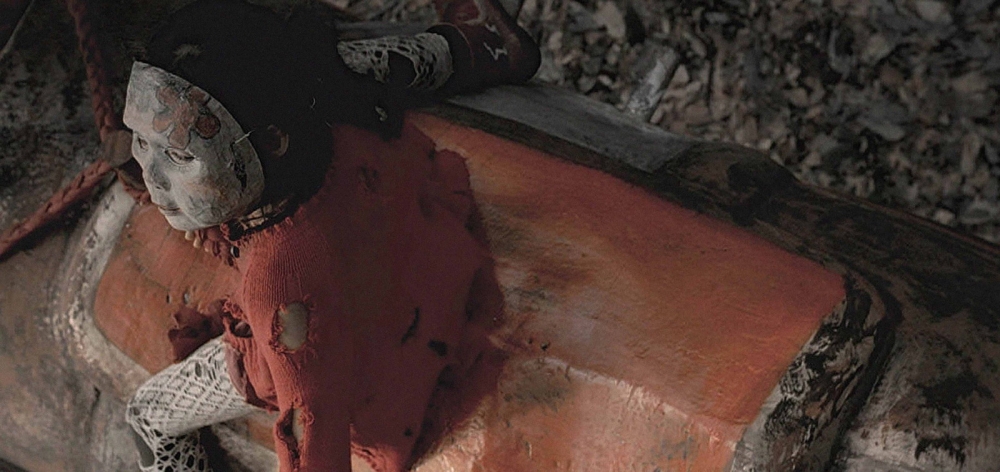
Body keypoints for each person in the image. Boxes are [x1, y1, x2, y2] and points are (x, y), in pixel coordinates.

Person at [121, 0, 534, 470]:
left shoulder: (281, 288)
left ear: (273, 142)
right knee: (338, 66)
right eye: (141, 140)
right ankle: (477, 45)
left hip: (359, 364)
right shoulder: (321, 99)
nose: (150, 174)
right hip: (407, 270)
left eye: (178, 157)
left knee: (147, 416)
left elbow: (311, 431)